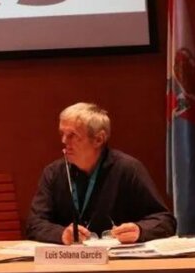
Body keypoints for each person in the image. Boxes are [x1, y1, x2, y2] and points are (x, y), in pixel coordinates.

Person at [26, 102, 176, 245]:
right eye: (62, 133)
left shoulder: (128, 168)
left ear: (98, 139)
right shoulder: (53, 173)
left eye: (72, 135)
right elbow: (34, 224)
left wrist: (140, 230)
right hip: (68, 261)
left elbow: (165, 220)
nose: (64, 140)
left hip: (117, 265)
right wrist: (61, 234)